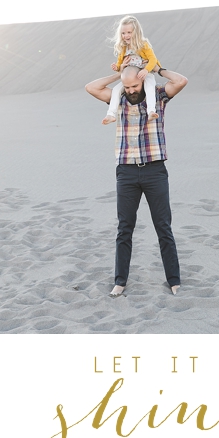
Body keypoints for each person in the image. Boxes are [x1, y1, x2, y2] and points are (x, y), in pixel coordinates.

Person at [86, 61, 189, 297]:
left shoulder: (159, 97)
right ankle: (120, 281)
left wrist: (157, 70)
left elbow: (181, 81)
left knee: (163, 227)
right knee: (124, 229)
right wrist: (119, 76)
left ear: (143, 80)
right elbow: (91, 87)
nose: (131, 90)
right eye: (128, 86)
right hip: (126, 172)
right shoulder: (118, 98)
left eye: (134, 85)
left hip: (155, 170)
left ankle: (174, 280)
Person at [98, 14, 161, 126]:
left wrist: (146, 70)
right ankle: (111, 114)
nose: (126, 35)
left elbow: (153, 59)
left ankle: (151, 111)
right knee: (116, 90)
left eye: (129, 32)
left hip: (144, 74)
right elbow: (120, 63)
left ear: (136, 32)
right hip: (129, 78)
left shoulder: (143, 44)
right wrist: (117, 67)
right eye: (123, 33)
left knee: (149, 87)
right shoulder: (123, 47)